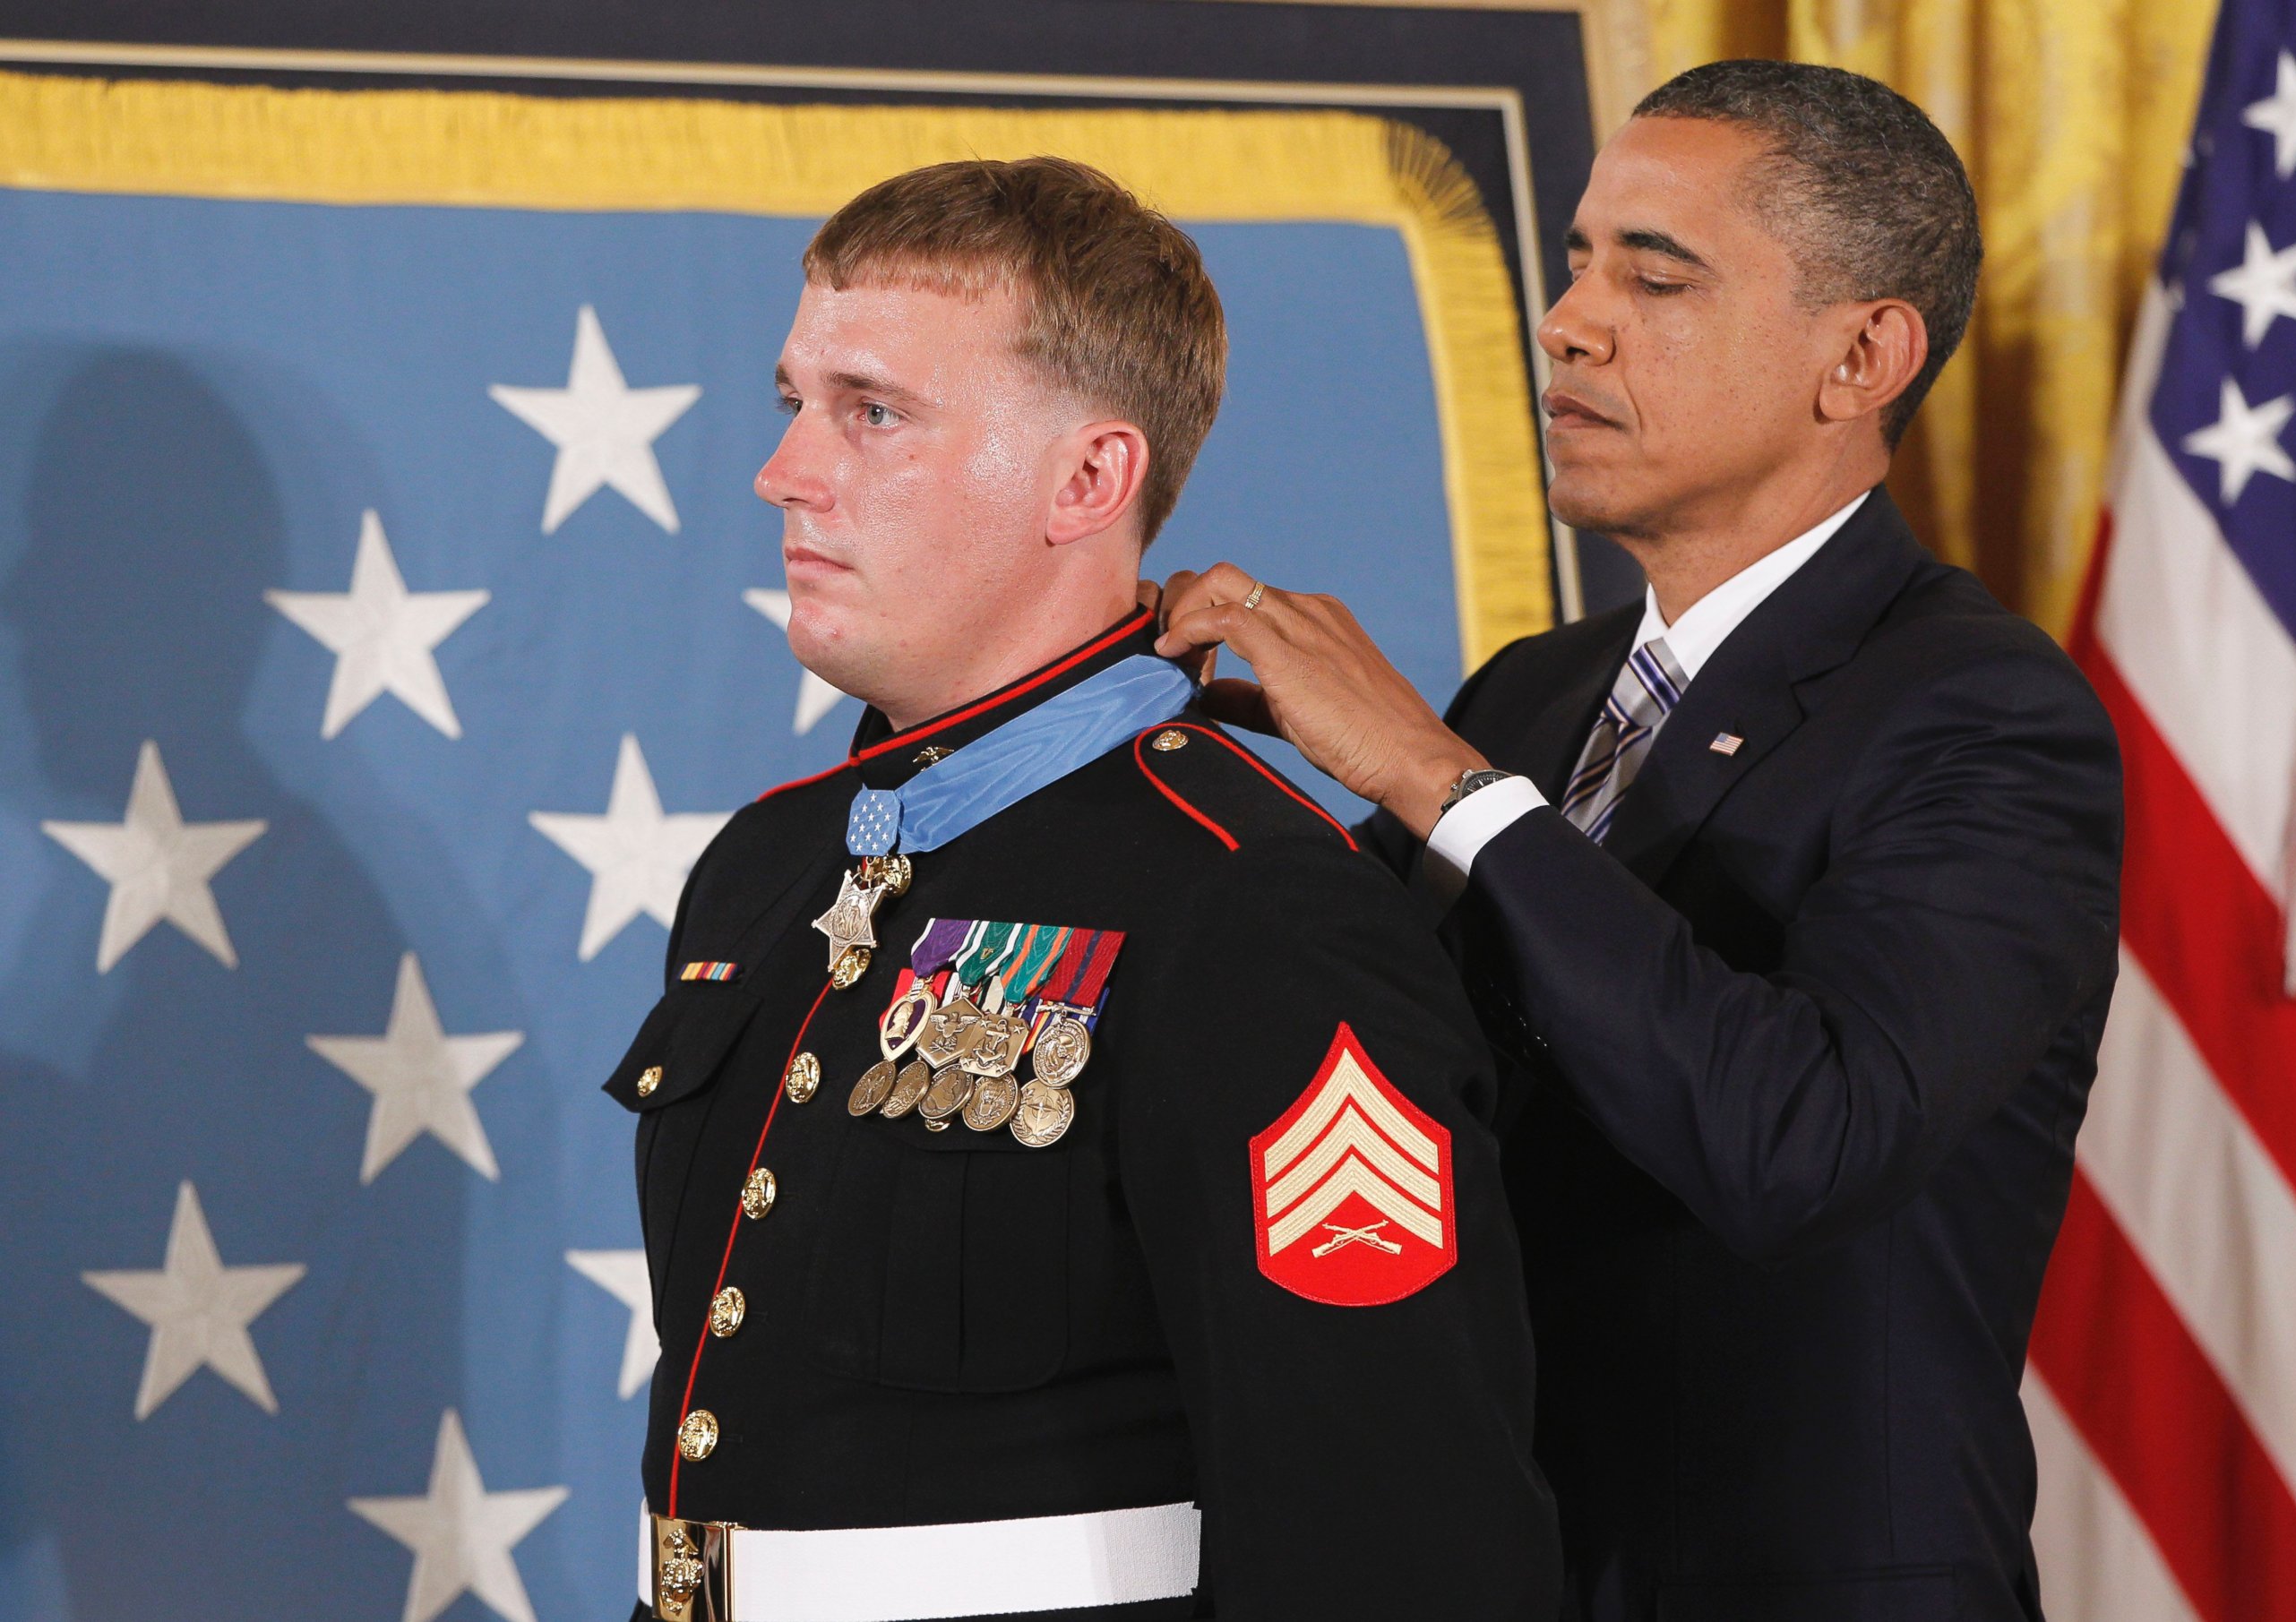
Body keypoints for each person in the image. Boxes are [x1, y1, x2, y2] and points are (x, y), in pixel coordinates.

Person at [1157, 62, 2123, 1622]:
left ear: (1863, 354)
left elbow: (1798, 1144)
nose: (1569, 321)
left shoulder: (1988, 714)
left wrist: (1433, 777)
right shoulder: (1534, 697)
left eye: (1653, 275)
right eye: (1578, 261)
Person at [606, 156, 1560, 1622]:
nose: (786, 469)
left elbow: (1398, 1535)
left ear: (1090, 479)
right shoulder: (770, 864)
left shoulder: (1254, 908)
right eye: (794, 402)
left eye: (873, 413)